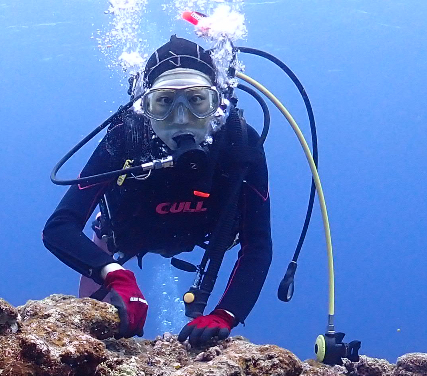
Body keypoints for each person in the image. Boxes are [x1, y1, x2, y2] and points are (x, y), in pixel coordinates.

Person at [43, 37, 272, 348]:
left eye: (197, 100)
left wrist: (225, 314)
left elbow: (257, 244)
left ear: (218, 103)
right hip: (121, 238)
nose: (181, 117)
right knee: (96, 339)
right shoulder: (126, 136)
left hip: (202, 234)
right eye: (164, 101)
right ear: (145, 106)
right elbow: (59, 227)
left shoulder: (241, 142)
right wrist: (113, 273)